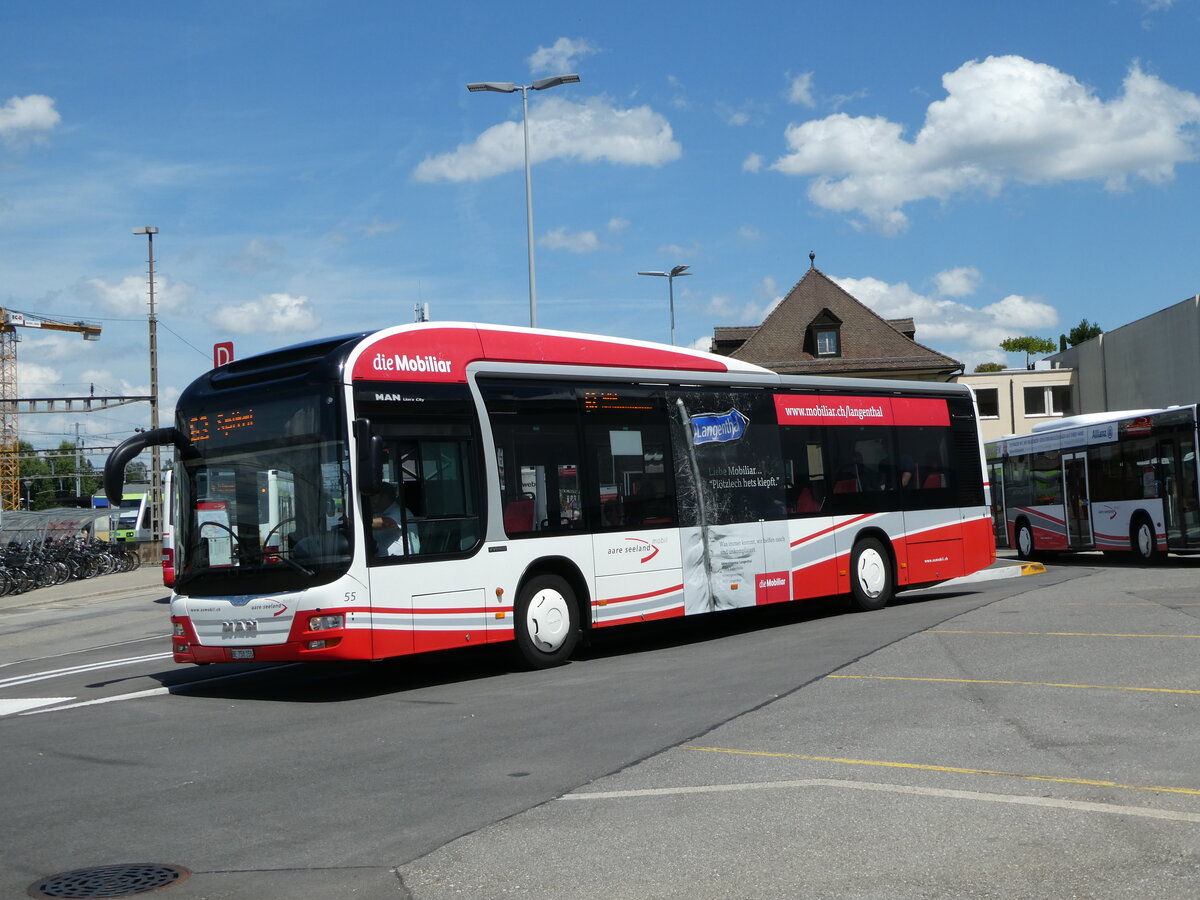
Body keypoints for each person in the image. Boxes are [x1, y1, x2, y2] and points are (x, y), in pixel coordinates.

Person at [369, 482, 419, 556]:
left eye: (373, 496)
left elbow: (388, 523)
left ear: (384, 497)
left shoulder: (401, 511)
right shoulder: (378, 514)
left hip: (401, 561)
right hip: (381, 561)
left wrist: (359, 523)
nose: (370, 500)